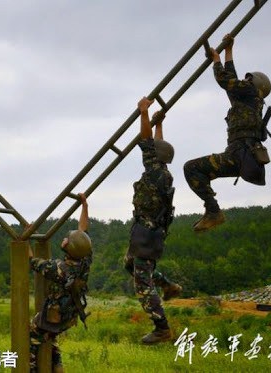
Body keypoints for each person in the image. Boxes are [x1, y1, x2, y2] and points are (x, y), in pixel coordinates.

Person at [184, 34, 271, 232]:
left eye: (247, 79)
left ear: (253, 83)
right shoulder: (247, 101)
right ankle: (212, 210)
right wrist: (228, 51)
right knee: (195, 170)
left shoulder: (250, 93)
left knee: (191, 168)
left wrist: (216, 58)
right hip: (240, 156)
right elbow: (231, 85)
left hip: (239, 155)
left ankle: (213, 211)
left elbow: (226, 81)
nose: (244, 80)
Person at [124, 97, 182, 345]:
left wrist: (144, 113)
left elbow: (147, 142)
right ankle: (169, 286)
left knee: (142, 282)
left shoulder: (156, 171)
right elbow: (156, 144)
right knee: (130, 264)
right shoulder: (162, 171)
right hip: (147, 232)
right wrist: (160, 123)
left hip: (147, 234)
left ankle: (162, 328)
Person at [27, 193, 93, 373]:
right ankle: (57, 367)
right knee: (51, 336)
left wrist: (25, 238)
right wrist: (84, 205)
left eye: (67, 239)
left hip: (55, 318)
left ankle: (31, 369)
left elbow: (31, 261)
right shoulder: (85, 260)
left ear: (68, 247)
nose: (65, 238)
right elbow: (83, 231)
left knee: (31, 335)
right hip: (69, 317)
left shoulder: (57, 267)